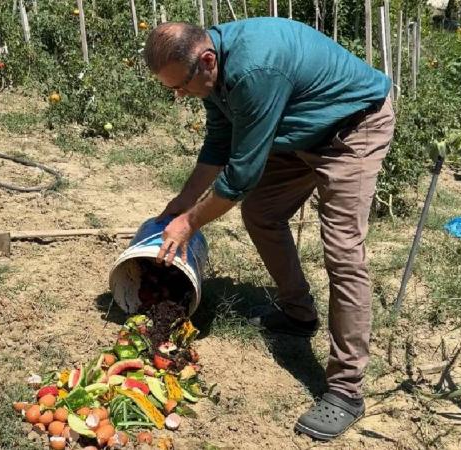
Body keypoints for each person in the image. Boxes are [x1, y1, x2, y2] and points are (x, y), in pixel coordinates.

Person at [143, 17, 395, 441]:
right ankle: (298, 314)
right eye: (171, 90)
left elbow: (240, 176)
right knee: (262, 213)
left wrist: (189, 222)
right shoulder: (214, 68)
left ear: (206, 61)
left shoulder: (254, 70)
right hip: (301, 131)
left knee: (342, 252)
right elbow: (220, 141)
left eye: (179, 86)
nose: (179, 96)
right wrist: (183, 202)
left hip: (352, 129)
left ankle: (346, 391)